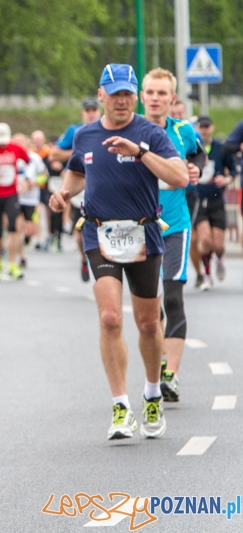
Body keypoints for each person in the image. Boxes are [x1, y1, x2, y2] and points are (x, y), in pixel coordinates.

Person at [49, 64, 188, 441]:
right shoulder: (85, 134)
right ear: (101, 95)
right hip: (99, 232)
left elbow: (179, 177)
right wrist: (64, 193)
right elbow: (78, 173)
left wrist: (140, 152)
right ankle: (121, 406)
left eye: (128, 93)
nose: (122, 100)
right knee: (110, 317)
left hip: (143, 232)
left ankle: (153, 392)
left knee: (147, 323)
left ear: (135, 96)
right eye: (115, 94)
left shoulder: (151, 133)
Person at [139, 68, 204, 403]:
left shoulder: (182, 130)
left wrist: (195, 168)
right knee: (150, 304)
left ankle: (171, 376)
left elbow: (198, 154)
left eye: (162, 93)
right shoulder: (130, 130)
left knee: (174, 296)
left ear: (172, 99)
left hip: (175, 224)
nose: (155, 98)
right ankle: (157, 361)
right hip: (139, 225)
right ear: (141, 96)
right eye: (150, 92)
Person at [50, 99, 102, 280]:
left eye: (94, 110)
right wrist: (80, 151)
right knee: (80, 235)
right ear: (82, 113)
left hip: (102, 189)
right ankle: (83, 258)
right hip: (80, 188)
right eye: (87, 110)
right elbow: (54, 154)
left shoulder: (108, 130)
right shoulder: (75, 131)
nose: (91, 114)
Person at [194, 116, 237, 289]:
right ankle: (207, 275)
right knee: (205, 240)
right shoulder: (193, 146)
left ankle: (219, 258)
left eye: (207, 127)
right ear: (197, 128)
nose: (204, 130)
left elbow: (233, 171)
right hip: (199, 199)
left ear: (212, 128)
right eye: (201, 127)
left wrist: (225, 179)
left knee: (218, 244)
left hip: (217, 200)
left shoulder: (221, 148)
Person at [0, 122, 29, 281]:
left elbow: (29, 161)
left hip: (11, 193)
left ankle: (12, 264)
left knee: (13, 227)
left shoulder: (16, 147)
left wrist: (26, 180)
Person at [13, 133, 47, 268]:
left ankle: (26, 240)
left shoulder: (34, 158)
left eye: (22, 141)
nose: (20, 144)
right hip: (14, 197)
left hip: (31, 199)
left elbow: (44, 176)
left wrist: (34, 182)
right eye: (17, 142)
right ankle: (21, 256)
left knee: (30, 230)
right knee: (16, 228)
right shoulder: (11, 157)